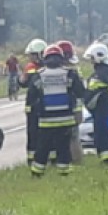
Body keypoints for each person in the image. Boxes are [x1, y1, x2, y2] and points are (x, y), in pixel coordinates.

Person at [29, 44, 85, 177]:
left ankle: (37, 173)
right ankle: (64, 173)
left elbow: (32, 97)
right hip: (66, 119)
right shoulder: (70, 74)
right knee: (63, 148)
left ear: (45, 58)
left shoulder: (39, 75)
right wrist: (76, 112)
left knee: (42, 148)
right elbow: (80, 93)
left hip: (45, 120)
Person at [83, 43, 108, 165]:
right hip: (98, 109)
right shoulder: (99, 71)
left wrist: (105, 96)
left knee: (103, 133)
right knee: (99, 133)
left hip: (103, 107)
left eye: (92, 58)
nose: (91, 61)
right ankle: (104, 158)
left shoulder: (105, 71)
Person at [55, 40, 85, 165]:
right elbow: (82, 92)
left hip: (66, 109)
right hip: (75, 109)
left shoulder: (65, 73)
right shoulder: (74, 71)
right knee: (73, 137)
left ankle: (70, 160)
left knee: (68, 137)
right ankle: (75, 160)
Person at [20, 38, 48, 164]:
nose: (30, 58)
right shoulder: (50, 66)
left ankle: (32, 159)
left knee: (34, 134)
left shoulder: (31, 68)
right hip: (45, 105)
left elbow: (23, 82)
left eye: (32, 55)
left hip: (33, 106)